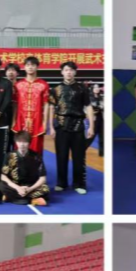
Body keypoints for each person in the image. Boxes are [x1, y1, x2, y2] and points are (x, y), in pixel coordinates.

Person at [49, 60, 95, 193]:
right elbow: (51, 108)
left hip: (78, 125)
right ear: (62, 72)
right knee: (61, 155)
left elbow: (88, 107)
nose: (68, 72)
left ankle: (79, 184)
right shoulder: (56, 89)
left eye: (71, 70)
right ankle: (61, 183)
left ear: (75, 72)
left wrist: (91, 127)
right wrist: (51, 127)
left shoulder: (82, 88)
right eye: (66, 70)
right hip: (61, 125)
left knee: (79, 156)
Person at [13, 56, 51, 156]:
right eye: (28, 65)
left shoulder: (43, 85)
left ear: (37, 67)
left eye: (33, 65)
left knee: (36, 148)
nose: (30, 67)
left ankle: (37, 166)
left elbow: (46, 104)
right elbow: (15, 104)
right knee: (19, 146)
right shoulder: (18, 85)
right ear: (24, 67)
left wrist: (45, 123)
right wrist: (13, 120)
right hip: (21, 121)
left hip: (37, 121)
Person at [0, 131, 49, 205]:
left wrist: (30, 189)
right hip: (15, 185)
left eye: (25, 142)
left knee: (45, 189)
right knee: (1, 185)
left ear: (29, 143)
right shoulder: (9, 155)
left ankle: (11, 197)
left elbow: (43, 178)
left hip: (30, 185)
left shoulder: (36, 157)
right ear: (16, 142)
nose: (22, 144)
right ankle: (31, 199)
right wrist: (17, 188)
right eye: (19, 142)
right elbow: (3, 176)